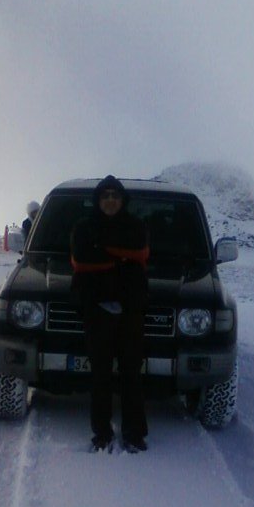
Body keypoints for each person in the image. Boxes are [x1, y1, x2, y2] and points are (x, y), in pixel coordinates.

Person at [70, 175, 149, 452]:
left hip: (131, 310)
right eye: (106, 196)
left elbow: (141, 253)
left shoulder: (136, 226)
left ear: (123, 200)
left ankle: (134, 433)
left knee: (131, 374)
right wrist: (122, 258)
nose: (111, 200)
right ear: (98, 200)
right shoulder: (84, 227)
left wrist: (102, 251)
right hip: (96, 310)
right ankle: (101, 432)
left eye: (115, 196)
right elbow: (81, 261)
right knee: (100, 374)